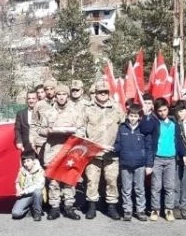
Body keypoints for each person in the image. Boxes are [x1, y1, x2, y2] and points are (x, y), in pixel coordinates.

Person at [36, 84, 85, 220]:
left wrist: (74, 132)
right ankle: (54, 208)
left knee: (69, 180)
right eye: (58, 94)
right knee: (53, 181)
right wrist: (48, 131)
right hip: (53, 150)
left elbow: (82, 130)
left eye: (64, 94)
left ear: (67, 96)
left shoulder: (76, 112)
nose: (61, 97)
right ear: (55, 96)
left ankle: (69, 207)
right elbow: (40, 129)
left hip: (70, 151)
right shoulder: (48, 112)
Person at [82, 80, 125, 220]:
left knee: (111, 180)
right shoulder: (87, 108)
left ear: (108, 93)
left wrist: (119, 146)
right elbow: (81, 130)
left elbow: (124, 127)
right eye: (100, 92)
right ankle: (92, 206)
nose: (102, 94)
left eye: (105, 92)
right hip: (93, 153)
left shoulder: (117, 108)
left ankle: (111, 207)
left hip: (111, 154)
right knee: (91, 181)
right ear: (96, 93)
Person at [150, 98, 186, 222]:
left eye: (164, 110)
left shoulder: (174, 124)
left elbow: (179, 140)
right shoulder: (154, 124)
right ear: (156, 111)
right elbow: (145, 129)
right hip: (157, 159)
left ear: (168, 109)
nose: (162, 113)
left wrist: (184, 154)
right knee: (156, 186)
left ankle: (169, 209)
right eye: (159, 111)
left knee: (170, 186)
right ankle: (155, 209)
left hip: (171, 159)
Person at [114, 103, 154, 221]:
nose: (133, 118)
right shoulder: (122, 128)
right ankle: (127, 210)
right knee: (126, 189)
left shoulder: (143, 129)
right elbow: (118, 144)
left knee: (139, 189)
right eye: (131, 116)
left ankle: (140, 210)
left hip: (140, 164)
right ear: (127, 116)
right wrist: (114, 148)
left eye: (135, 116)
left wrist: (149, 164)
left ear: (139, 117)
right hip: (125, 163)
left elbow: (149, 147)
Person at [11, 151, 45, 221]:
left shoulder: (40, 171)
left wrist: (24, 191)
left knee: (37, 191)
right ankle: (29, 209)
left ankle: (37, 213)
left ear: (34, 161)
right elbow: (17, 182)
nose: (26, 164)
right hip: (25, 195)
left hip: (36, 194)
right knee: (16, 213)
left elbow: (38, 186)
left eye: (28, 161)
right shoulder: (22, 170)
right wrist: (18, 189)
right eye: (24, 162)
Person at [14, 89, 38, 153]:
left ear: (37, 99)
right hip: (26, 147)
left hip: (40, 146)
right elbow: (17, 129)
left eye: (33, 98)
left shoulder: (43, 113)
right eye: (29, 98)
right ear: (27, 100)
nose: (31, 101)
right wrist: (19, 141)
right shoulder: (20, 114)